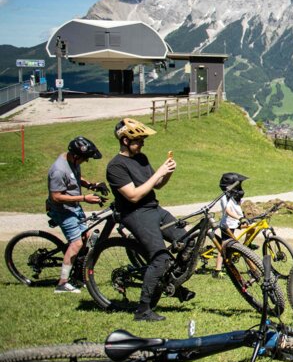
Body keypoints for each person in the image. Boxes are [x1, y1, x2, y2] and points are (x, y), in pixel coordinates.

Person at [106, 118, 193, 322]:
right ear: (126, 141)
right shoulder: (115, 167)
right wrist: (159, 174)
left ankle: (170, 282)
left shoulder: (142, 158)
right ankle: (143, 310)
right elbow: (134, 195)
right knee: (160, 259)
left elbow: (157, 185)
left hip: (154, 208)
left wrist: (167, 173)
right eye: (138, 140)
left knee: (187, 241)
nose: (143, 143)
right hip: (135, 214)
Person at [46, 136, 106, 293]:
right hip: (62, 211)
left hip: (74, 207)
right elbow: (56, 197)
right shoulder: (58, 170)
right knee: (77, 243)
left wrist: (92, 185)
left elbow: (75, 178)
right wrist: (85, 198)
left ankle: (78, 277)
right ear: (76, 156)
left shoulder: (71, 161)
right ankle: (62, 284)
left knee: (86, 237)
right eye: (85, 159)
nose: (86, 162)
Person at [216, 172, 248, 278]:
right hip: (227, 225)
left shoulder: (235, 196)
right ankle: (218, 269)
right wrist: (240, 218)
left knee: (253, 228)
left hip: (236, 222)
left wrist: (244, 217)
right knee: (224, 247)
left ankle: (247, 244)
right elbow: (228, 211)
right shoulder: (224, 197)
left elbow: (237, 209)